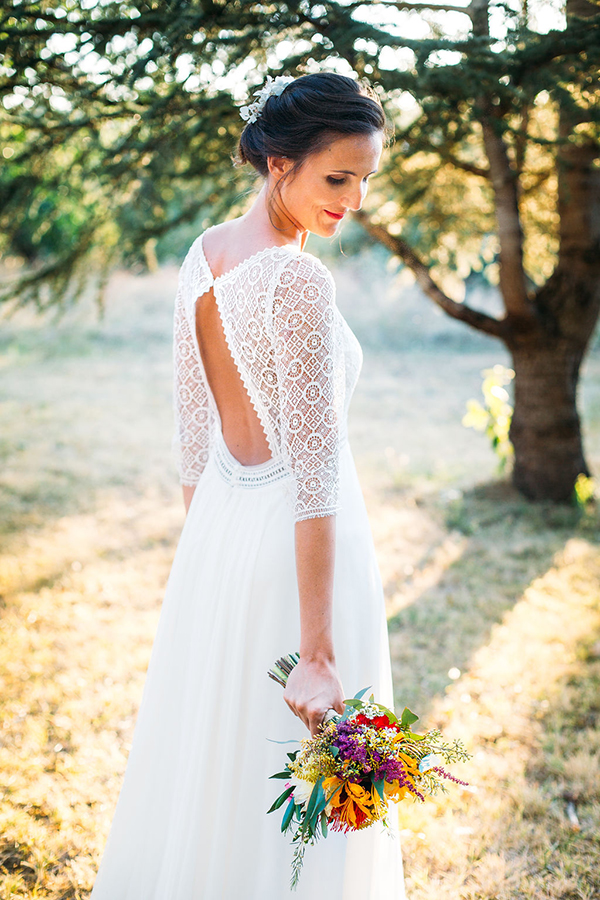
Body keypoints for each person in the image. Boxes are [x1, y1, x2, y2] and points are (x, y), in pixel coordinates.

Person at [90, 72, 405, 899]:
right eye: (336, 178)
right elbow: (314, 476)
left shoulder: (205, 256)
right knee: (299, 792)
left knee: (225, 771)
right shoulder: (295, 280)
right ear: (277, 164)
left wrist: (212, 574)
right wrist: (319, 651)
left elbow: (194, 450)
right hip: (299, 564)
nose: (355, 200)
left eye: (366, 179)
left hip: (224, 542)